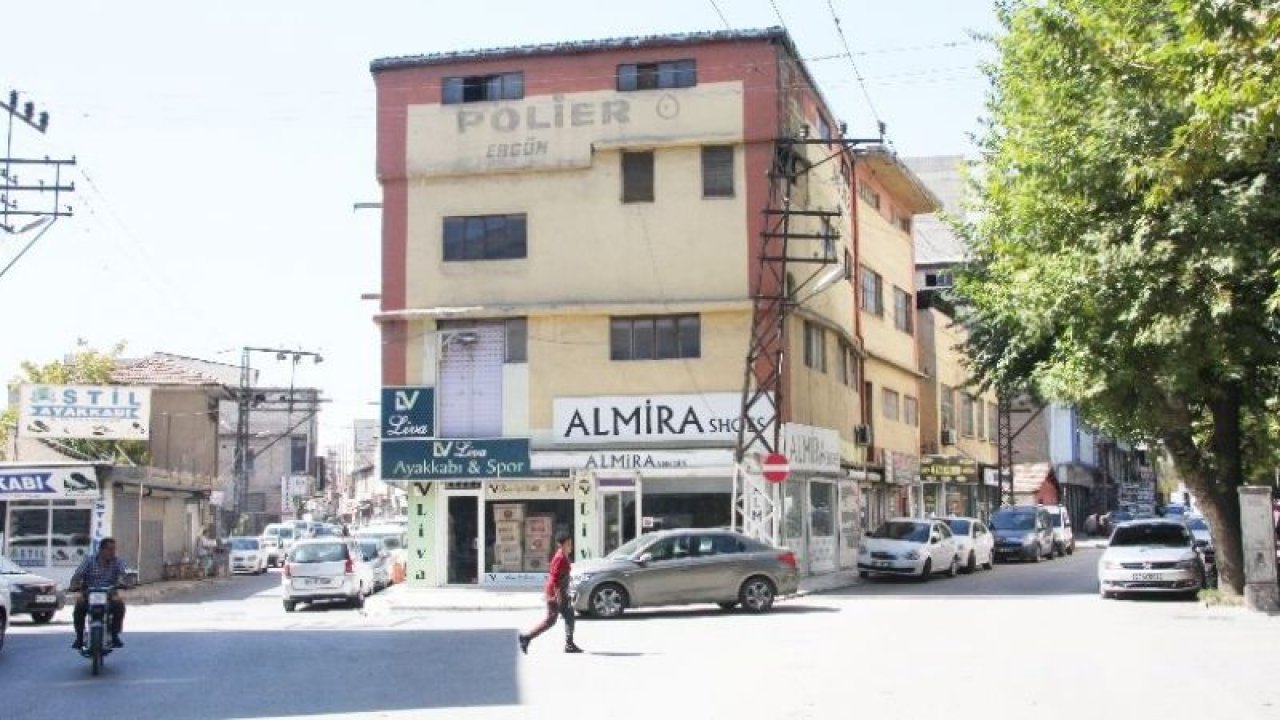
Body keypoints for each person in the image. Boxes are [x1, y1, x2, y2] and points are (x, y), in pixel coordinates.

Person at [518, 532, 582, 655]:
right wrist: (557, 596)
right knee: (550, 621)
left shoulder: (563, 556)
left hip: (560, 592)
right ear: (562, 545)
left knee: (569, 615)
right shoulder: (560, 558)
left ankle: (569, 644)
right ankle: (526, 638)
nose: (571, 546)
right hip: (555, 593)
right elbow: (556, 579)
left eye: (570, 543)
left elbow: (562, 576)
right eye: (568, 544)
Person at [69, 537, 131, 650]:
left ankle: (114, 635)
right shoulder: (89, 560)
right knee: (79, 606)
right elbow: (77, 575)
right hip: (89, 592)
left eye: (114, 549)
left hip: (109, 593)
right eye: (109, 549)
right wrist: (74, 585)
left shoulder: (117, 561)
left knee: (119, 605)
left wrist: (127, 582)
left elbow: (125, 574)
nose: (112, 552)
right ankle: (79, 637)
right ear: (101, 550)